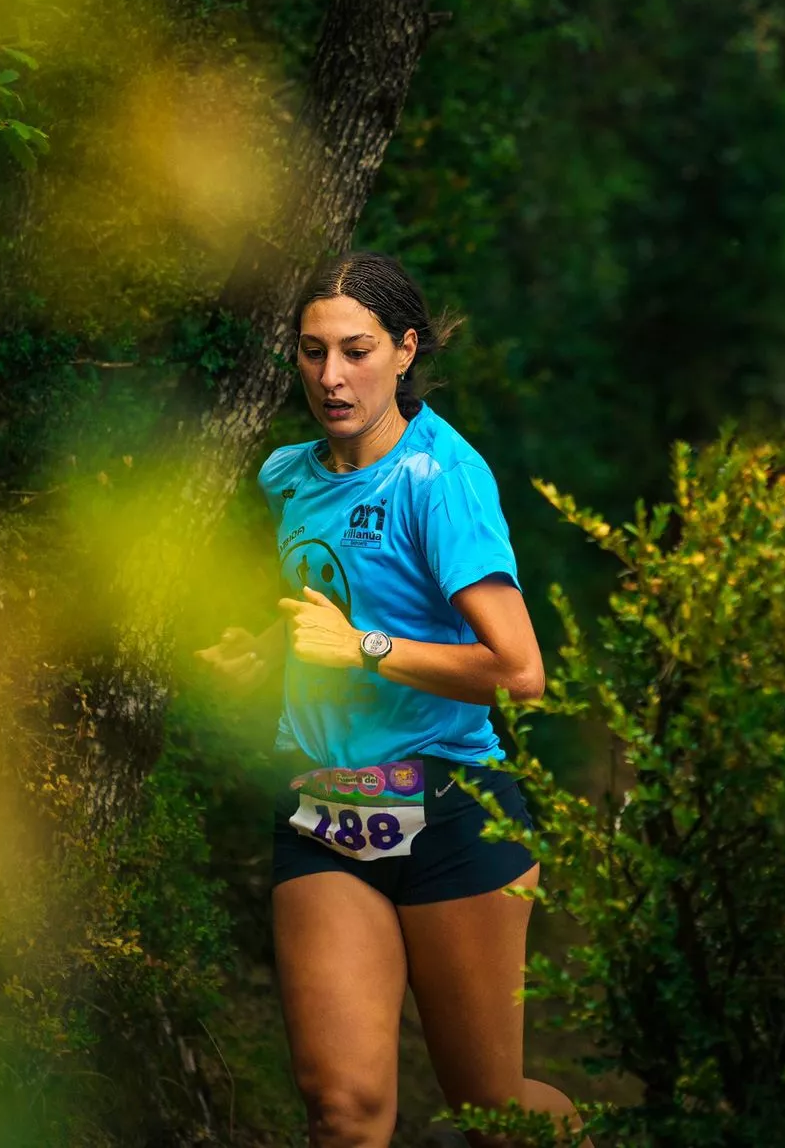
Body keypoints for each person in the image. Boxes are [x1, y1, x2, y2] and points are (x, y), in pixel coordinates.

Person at [197, 252, 586, 1148]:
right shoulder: (288, 478)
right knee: (342, 1110)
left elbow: (519, 669)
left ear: (406, 351)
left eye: (358, 350)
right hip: (330, 805)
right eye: (312, 350)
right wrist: (263, 650)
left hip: (452, 812)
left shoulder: (440, 479)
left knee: (496, 1112)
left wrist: (363, 651)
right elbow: (333, 603)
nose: (332, 377)